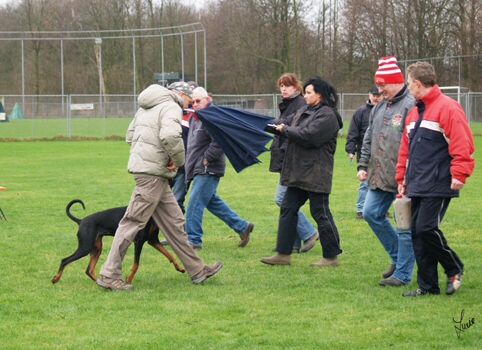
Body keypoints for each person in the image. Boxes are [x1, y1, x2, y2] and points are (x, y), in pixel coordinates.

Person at [96, 83, 222, 290]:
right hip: (153, 175)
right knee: (132, 222)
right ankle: (109, 274)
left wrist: (149, 153)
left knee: (174, 221)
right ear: (182, 94)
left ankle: (197, 269)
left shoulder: (146, 106)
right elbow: (171, 136)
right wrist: (177, 159)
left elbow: (130, 136)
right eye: (188, 101)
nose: (187, 106)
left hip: (153, 173)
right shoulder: (171, 106)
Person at [396, 62, 475, 296]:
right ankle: (428, 287)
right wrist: (401, 177)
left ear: (418, 84)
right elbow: (405, 149)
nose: (408, 88)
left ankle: (454, 267)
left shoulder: (448, 108)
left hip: (440, 181)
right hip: (417, 181)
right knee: (417, 234)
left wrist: (459, 173)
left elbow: (463, 142)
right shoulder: (414, 112)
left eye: (409, 83)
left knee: (426, 228)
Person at [261, 76, 343, 266]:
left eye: (308, 93)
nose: (304, 96)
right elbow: (282, 122)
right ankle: (283, 254)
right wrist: (260, 123)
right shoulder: (304, 111)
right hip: (298, 172)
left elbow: (310, 136)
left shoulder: (328, 116)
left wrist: (285, 130)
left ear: (319, 95)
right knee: (288, 208)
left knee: (320, 213)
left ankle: (331, 257)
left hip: (316, 173)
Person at [357, 56, 416, 287]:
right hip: (379, 174)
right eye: (378, 86)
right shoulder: (379, 105)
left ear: (397, 82)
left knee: (405, 226)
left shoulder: (411, 105)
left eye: (383, 85)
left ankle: (402, 273)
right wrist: (363, 165)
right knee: (370, 213)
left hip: (405, 177)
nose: (379, 90)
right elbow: (369, 137)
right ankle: (396, 257)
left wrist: (409, 174)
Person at [184, 86, 254, 250]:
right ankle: (242, 227)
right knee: (212, 202)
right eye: (193, 101)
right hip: (199, 167)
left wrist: (206, 159)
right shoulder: (196, 117)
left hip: (208, 168)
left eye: (198, 101)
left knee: (194, 203)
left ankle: (193, 240)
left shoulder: (212, 117)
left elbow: (219, 142)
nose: (195, 104)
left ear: (207, 99)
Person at [270, 73, 319, 253]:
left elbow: (292, 130)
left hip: (292, 158)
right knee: (289, 200)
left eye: (287, 85)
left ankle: (309, 233)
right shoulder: (288, 104)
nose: (283, 89)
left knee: (281, 199)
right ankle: (293, 243)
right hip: (286, 157)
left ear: (296, 87)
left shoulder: (299, 104)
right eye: (281, 85)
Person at [345, 85, 383, 219]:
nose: (376, 98)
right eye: (374, 95)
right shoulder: (361, 112)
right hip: (365, 153)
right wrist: (351, 149)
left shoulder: (386, 110)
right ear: (369, 95)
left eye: (378, 95)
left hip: (383, 153)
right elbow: (353, 132)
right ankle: (360, 209)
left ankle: (380, 209)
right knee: (364, 181)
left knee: (382, 182)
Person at [169, 81, 199, 214]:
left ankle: (179, 233)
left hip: (183, 166)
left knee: (177, 200)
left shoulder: (195, 115)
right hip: (168, 164)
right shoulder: (173, 113)